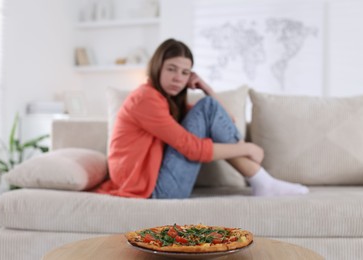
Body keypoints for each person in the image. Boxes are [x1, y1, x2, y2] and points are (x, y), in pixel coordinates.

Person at [96, 38, 309, 199]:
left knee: (208, 107)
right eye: (172, 69)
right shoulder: (145, 99)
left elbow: (226, 120)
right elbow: (193, 149)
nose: (178, 77)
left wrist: (206, 88)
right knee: (207, 108)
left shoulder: (165, 101)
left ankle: (263, 182)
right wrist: (247, 149)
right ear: (157, 66)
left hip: (155, 183)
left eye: (185, 72)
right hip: (152, 191)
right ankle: (263, 181)